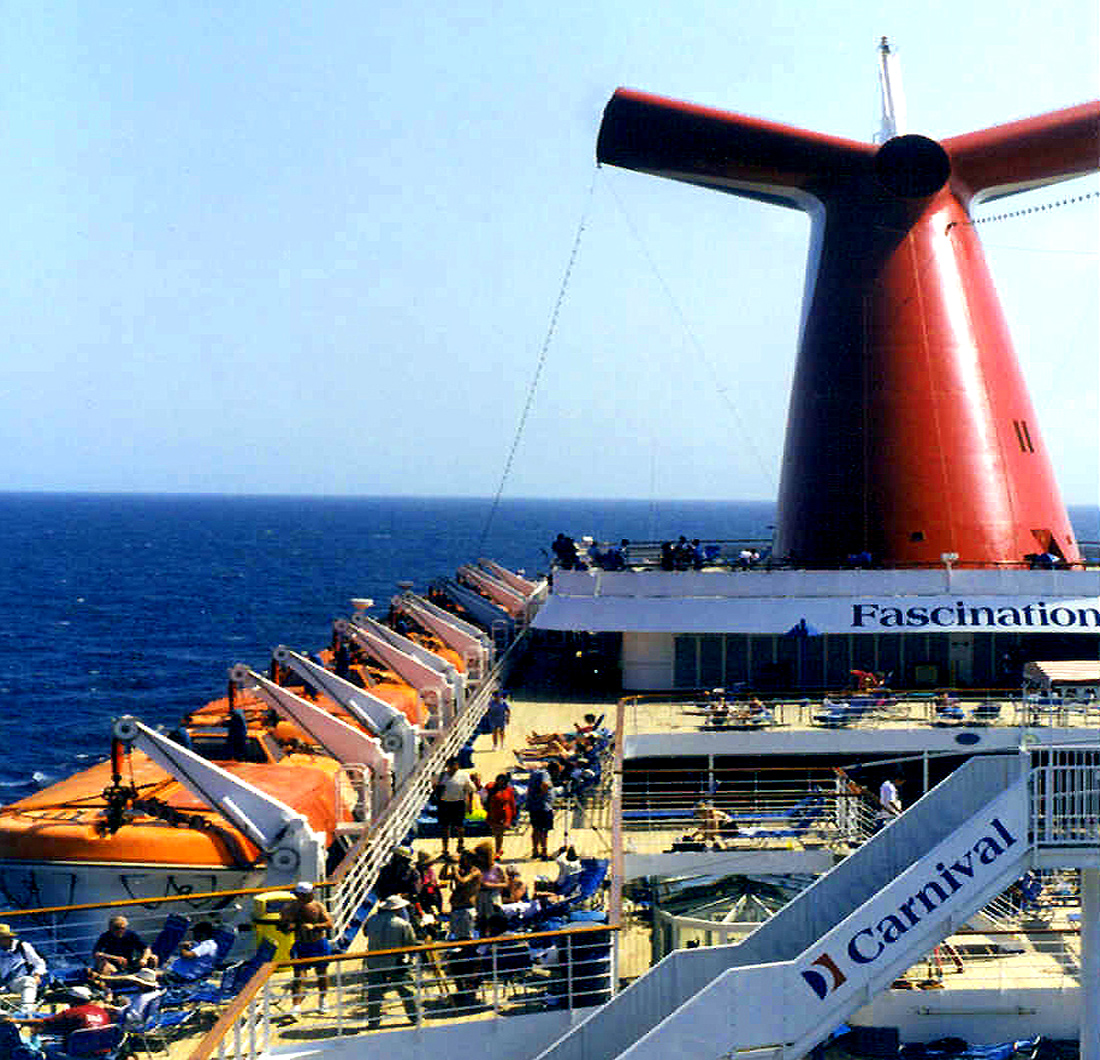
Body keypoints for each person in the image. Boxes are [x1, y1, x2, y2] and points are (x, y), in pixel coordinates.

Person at [278, 881, 334, 1016]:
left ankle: (323, 1000)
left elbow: (329, 924)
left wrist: (314, 926)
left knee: (322, 974)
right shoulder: (289, 908)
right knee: (299, 976)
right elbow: (282, 928)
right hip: (301, 945)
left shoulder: (318, 906)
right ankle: (296, 1006)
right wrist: (287, 925)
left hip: (318, 944)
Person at [363, 895, 418, 1030]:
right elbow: (410, 944)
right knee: (406, 991)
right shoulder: (403, 924)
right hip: (395, 962)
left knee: (374, 993)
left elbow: (365, 933)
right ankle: (414, 1017)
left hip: (374, 961)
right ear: (397, 909)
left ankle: (373, 1021)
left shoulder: (372, 920)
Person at [435, 757, 476, 858]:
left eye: (455, 765)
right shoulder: (440, 776)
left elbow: (471, 790)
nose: (453, 767)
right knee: (445, 827)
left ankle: (460, 845)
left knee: (460, 826)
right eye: (451, 765)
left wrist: (470, 805)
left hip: (458, 803)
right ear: (447, 766)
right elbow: (434, 787)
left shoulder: (464, 775)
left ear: (458, 765)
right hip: (444, 803)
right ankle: (445, 849)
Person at [0, 924, 46, 1016]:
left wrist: (37, 975)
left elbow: (39, 963)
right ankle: (3, 1015)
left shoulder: (22, 946)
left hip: (17, 981)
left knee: (28, 981)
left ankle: (25, 1012)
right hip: (2, 984)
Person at [91, 915, 156, 975]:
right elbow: (97, 953)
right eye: (117, 928)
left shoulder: (131, 935)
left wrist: (144, 959)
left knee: (153, 958)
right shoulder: (105, 937)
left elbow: (146, 948)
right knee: (103, 965)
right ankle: (110, 981)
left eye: (123, 928)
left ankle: (151, 978)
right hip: (113, 964)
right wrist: (115, 958)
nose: (120, 930)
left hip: (130, 962)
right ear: (111, 928)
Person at [440, 849, 480, 942]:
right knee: (456, 936)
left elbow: (462, 882)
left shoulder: (475, 871)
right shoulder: (461, 871)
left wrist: (454, 870)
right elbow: (442, 876)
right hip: (456, 907)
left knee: (466, 937)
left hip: (466, 907)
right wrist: (447, 864)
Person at [484, 773, 517, 857]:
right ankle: (499, 849)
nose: (501, 782)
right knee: (496, 833)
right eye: (499, 780)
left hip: (505, 814)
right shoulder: (491, 789)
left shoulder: (509, 790)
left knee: (499, 833)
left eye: (502, 781)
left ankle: (498, 850)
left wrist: (514, 815)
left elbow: (512, 802)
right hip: (494, 814)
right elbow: (487, 801)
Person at [526, 764, 555, 860]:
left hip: (534, 806)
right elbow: (545, 784)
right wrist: (542, 795)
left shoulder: (535, 773)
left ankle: (535, 850)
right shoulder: (545, 774)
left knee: (536, 829)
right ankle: (544, 852)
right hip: (543, 807)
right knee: (544, 830)